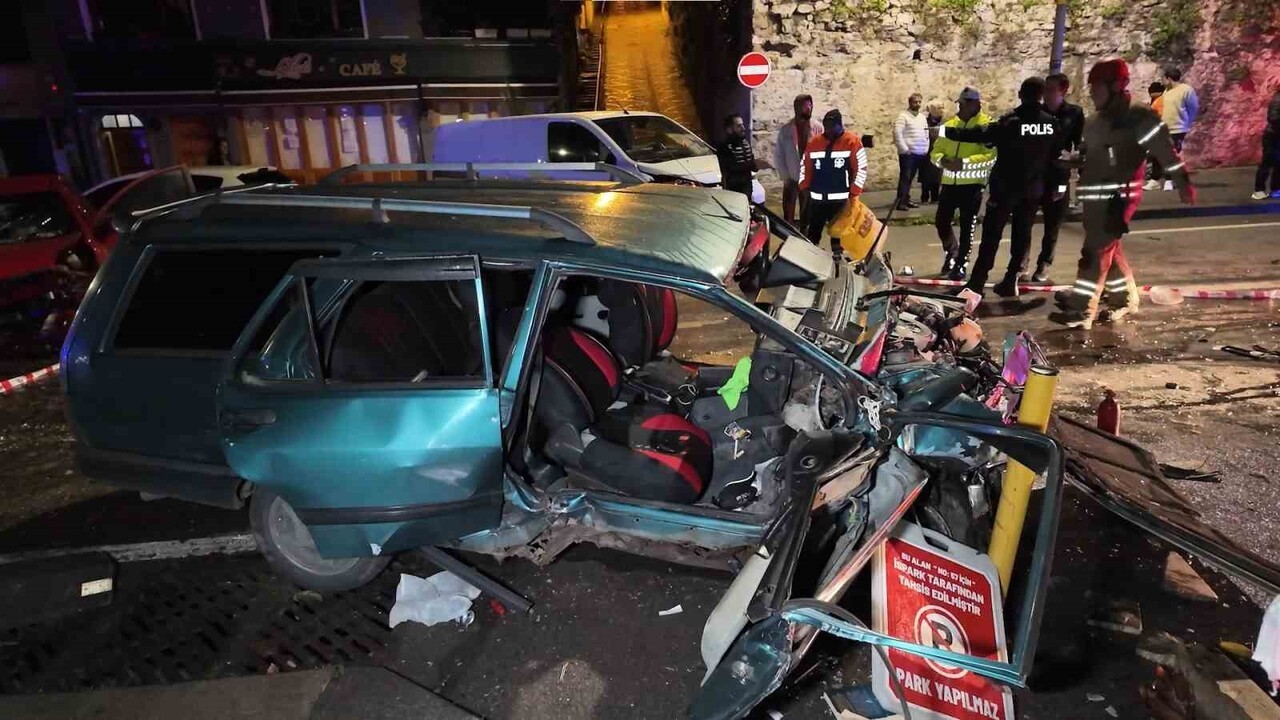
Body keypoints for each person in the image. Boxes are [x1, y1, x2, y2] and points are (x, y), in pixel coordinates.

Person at [1051, 59, 1196, 329]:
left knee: (1094, 253)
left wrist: (1183, 182)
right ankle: (1124, 298)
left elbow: (1165, 151)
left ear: (1117, 85)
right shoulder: (1095, 122)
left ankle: (1083, 310)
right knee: (1109, 250)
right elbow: (1087, 154)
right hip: (1093, 197)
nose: (1092, 92)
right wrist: (1072, 160)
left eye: (1096, 86)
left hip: (1119, 197)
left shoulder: (1138, 118)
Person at [937, 77, 1059, 297]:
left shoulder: (1011, 122)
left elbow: (980, 135)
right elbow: (1056, 157)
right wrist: (1055, 187)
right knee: (1022, 235)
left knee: (991, 237)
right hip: (1032, 190)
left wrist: (945, 132)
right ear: (1041, 96)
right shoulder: (1050, 123)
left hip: (1006, 189)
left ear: (1021, 94)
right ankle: (1011, 279)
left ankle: (977, 283)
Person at [1027, 73, 1086, 283]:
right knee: (1025, 221)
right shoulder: (1037, 112)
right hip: (1034, 175)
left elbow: (1079, 145)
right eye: (1045, 90)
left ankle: (1044, 264)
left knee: (1052, 226)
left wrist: (1076, 168)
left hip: (1058, 175)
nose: (1046, 95)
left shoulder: (1074, 113)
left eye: (1051, 90)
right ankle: (1021, 263)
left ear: (1063, 90)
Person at [931, 87, 995, 280]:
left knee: (968, 227)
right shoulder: (950, 125)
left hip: (973, 185)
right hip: (950, 184)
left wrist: (964, 163)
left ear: (977, 104)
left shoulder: (987, 126)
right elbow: (935, 152)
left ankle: (961, 265)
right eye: (960, 104)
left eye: (966, 104)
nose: (962, 107)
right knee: (941, 221)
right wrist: (942, 161)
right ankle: (952, 253)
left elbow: (991, 156)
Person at [799, 108, 868, 260]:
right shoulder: (815, 143)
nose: (828, 130)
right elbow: (805, 166)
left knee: (839, 235)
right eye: (826, 126)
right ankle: (810, 260)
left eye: (832, 126)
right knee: (813, 233)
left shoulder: (852, 142)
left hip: (841, 200)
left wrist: (854, 193)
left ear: (840, 125)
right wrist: (804, 187)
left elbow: (861, 168)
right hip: (818, 199)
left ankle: (839, 263)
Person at [1146, 66, 1198, 191]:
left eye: (1163, 78)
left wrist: (1186, 123)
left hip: (1177, 129)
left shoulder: (1186, 90)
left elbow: (1193, 108)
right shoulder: (1166, 91)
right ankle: (1155, 180)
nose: (1162, 81)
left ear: (1169, 78)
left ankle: (1170, 181)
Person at [773, 94, 823, 223]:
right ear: (796, 108)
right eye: (805, 106)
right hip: (792, 177)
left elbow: (823, 152)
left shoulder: (818, 128)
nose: (809, 108)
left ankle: (804, 237)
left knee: (807, 214)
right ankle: (789, 237)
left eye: (810, 105)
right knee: (788, 214)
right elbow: (779, 155)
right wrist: (785, 177)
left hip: (809, 177)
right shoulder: (786, 130)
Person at [893, 93, 930, 210]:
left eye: (919, 102)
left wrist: (925, 148)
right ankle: (900, 202)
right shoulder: (903, 116)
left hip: (919, 153)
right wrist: (904, 149)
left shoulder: (922, 117)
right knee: (905, 177)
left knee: (911, 178)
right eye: (915, 102)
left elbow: (926, 133)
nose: (918, 104)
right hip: (908, 153)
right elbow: (897, 133)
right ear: (910, 103)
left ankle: (906, 199)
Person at [716, 113, 758, 198]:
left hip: (747, 189)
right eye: (739, 126)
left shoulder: (745, 143)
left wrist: (757, 165)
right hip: (733, 191)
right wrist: (753, 164)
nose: (743, 128)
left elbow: (752, 165)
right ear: (729, 129)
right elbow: (731, 168)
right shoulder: (724, 147)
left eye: (742, 125)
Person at [1253, 87, 1280, 201]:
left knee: (1279, 164)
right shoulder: (1277, 101)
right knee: (1267, 162)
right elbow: (1273, 119)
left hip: (1277, 136)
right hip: (1272, 137)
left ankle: (1276, 189)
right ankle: (1259, 190)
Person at [919, 101, 945, 204]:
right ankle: (925, 196)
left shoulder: (943, 122)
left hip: (939, 151)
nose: (941, 111)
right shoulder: (925, 122)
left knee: (937, 175)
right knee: (925, 176)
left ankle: (935, 196)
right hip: (926, 150)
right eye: (939, 108)